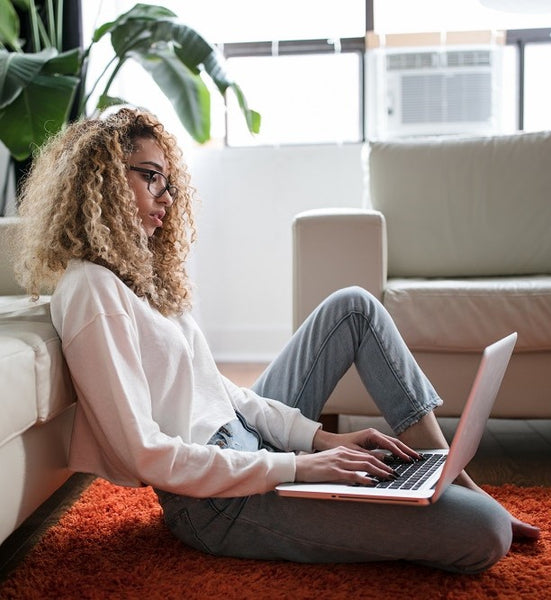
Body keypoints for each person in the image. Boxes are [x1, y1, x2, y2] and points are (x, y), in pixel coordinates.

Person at [15, 108, 539, 574]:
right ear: (101, 179)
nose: (166, 199)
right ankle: (454, 493)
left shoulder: (137, 276)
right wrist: (296, 466)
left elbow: (219, 391)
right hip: (215, 502)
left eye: (168, 183)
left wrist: (319, 440)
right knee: (485, 531)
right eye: (151, 178)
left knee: (352, 306)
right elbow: (145, 454)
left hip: (246, 444)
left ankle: (447, 471)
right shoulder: (91, 289)